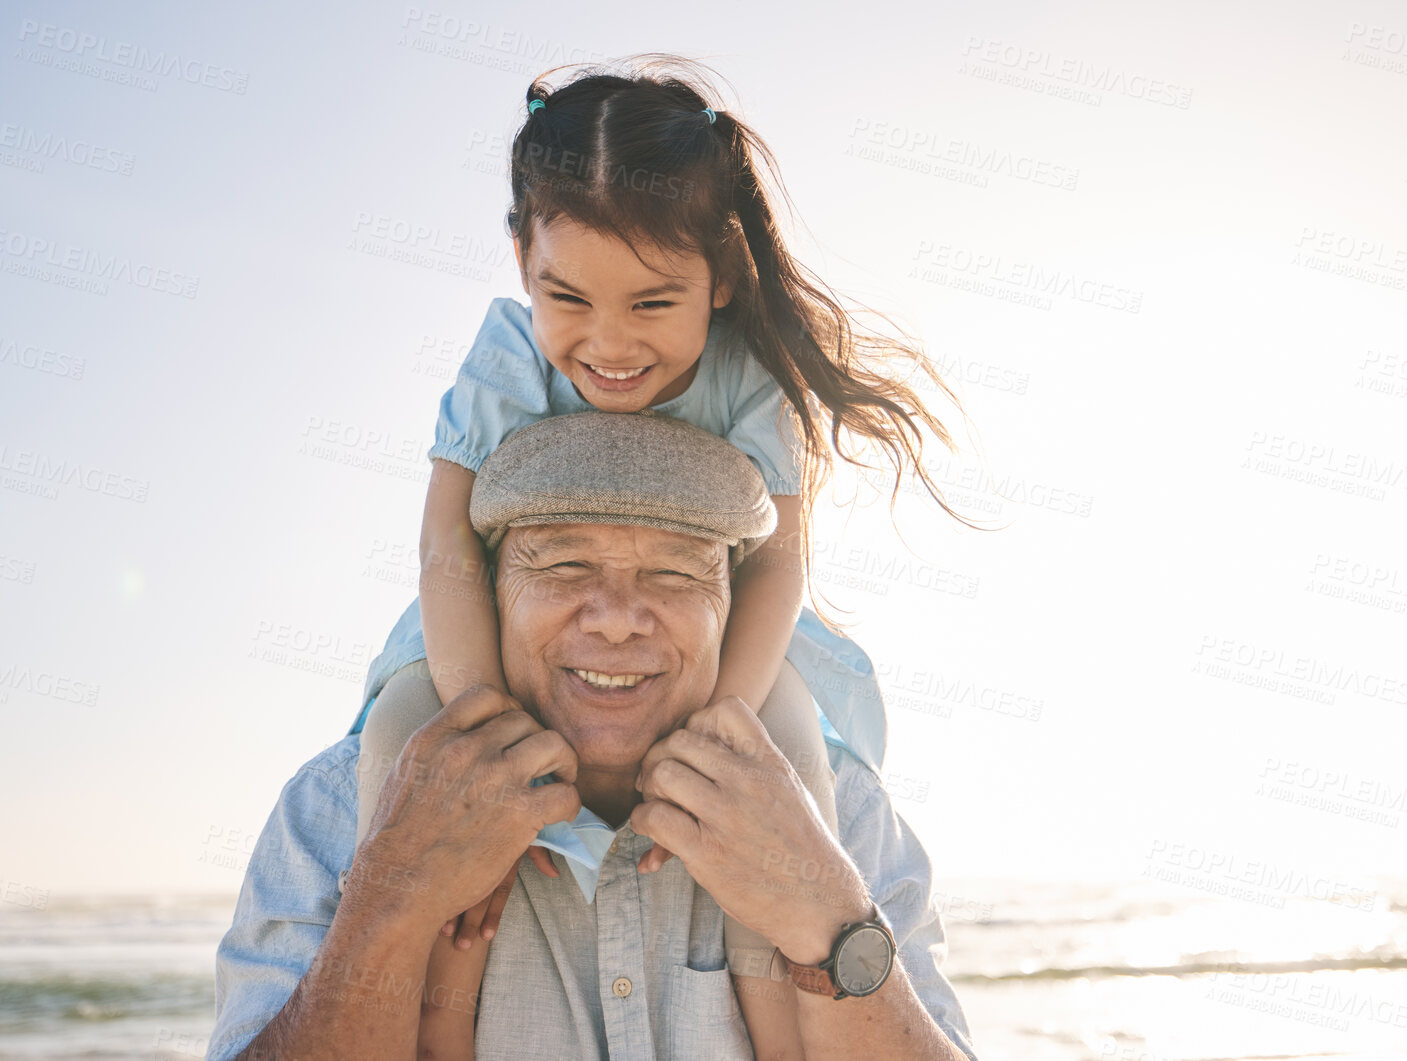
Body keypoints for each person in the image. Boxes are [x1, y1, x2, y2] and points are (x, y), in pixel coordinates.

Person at [348, 55, 979, 1061]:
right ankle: (438, 970)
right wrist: (482, 726)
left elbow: (775, 565)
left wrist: (724, 719)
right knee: (399, 746)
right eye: (571, 299)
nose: (608, 345)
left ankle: (766, 975)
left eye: (650, 305)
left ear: (719, 276)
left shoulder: (746, 372)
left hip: (744, 645)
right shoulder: (505, 357)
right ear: (522, 260)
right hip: (470, 626)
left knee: (789, 773)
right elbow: (447, 548)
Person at [208, 411, 978, 1060]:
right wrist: (391, 900)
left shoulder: (843, 817)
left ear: (733, 610)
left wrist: (830, 919)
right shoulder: (339, 806)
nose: (615, 616)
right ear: (488, 595)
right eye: (565, 563)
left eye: (677, 572)